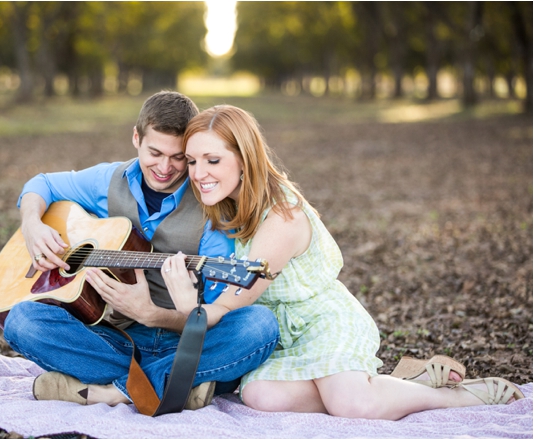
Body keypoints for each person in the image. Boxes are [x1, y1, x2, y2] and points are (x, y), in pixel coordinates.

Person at [160, 104, 525, 419]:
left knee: (354, 406)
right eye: (192, 161)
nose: (198, 173)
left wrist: (191, 308)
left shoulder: (282, 217)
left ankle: (455, 397)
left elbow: (235, 297)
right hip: (288, 335)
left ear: (245, 158)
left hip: (323, 320)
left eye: (213, 160)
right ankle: (398, 384)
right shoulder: (231, 202)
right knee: (260, 396)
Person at [2, 92, 280, 410]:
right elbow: (42, 184)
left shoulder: (213, 208)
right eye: (155, 152)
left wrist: (151, 313)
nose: (165, 167)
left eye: (178, 157)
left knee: (260, 325)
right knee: (22, 320)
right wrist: (32, 225)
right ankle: (179, 384)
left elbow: (214, 317)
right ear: (136, 138)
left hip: (186, 341)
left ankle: (119, 388)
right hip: (116, 339)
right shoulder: (109, 179)